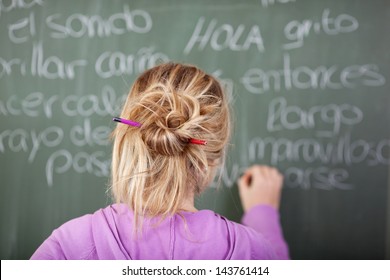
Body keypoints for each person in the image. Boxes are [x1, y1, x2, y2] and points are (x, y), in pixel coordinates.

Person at [31, 62, 289, 260]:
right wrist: (263, 215)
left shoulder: (71, 246)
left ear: (127, 139)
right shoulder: (252, 251)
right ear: (212, 156)